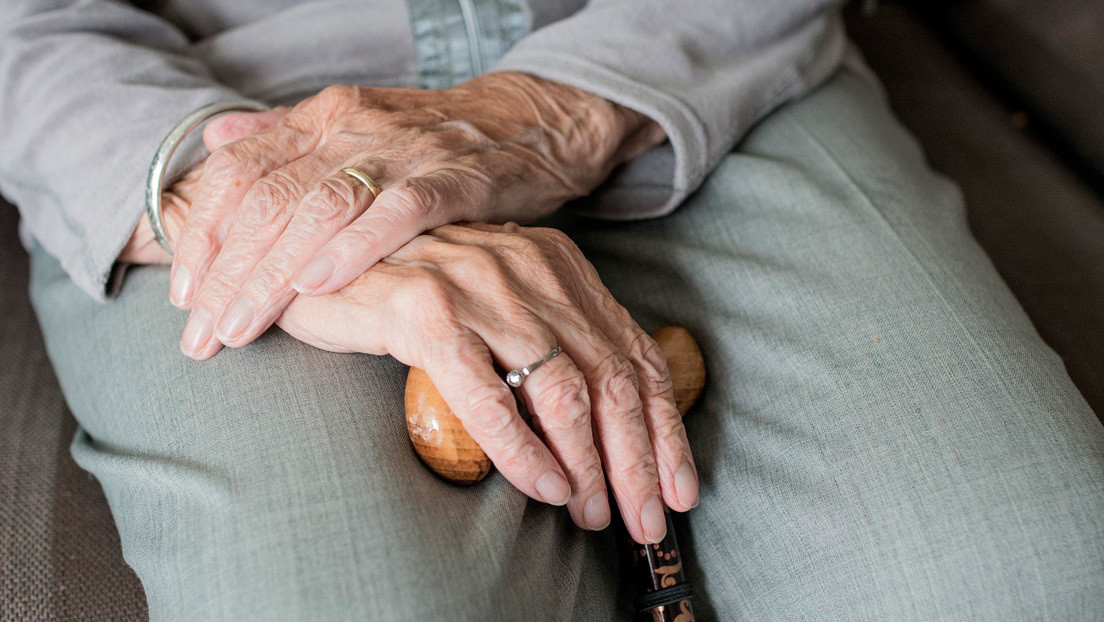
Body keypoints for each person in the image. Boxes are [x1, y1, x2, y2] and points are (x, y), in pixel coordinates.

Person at [3, 0, 1103, 619]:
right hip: (214, 116)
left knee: (1025, 580)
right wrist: (255, 204)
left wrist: (543, 112)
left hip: (698, 54)